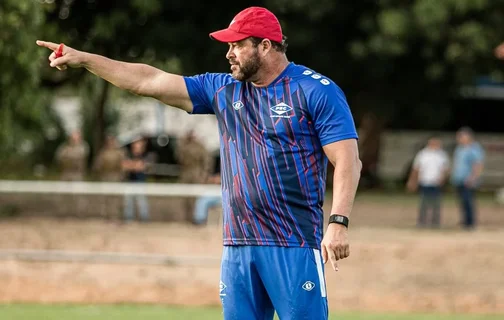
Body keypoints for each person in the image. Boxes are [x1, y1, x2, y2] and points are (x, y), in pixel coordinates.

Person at [36, 6, 361, 319]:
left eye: (237, 44)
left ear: (264, 46)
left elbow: (347, 160)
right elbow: (148, 81)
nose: (228, 53)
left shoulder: (315, 91)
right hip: (237, 244)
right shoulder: (222, 89)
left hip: (293, 243)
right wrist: (85, 59)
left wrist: (337, 223)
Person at [406, 136, 450, 228]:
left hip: (436, 183)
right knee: (423, 203)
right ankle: (421, 222)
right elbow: (416, 169)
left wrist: (443, 178)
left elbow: (445, 169)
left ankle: (435, 223)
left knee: (436, 204)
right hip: (425, 181)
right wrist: (413, 181)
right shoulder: (422, 154)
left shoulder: (442, 155)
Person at [450, 127, 485, 230]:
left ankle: (470, 223)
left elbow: (478, 164)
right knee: (462, 201)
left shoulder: (474, 148)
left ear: (468, 137)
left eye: (461, 137)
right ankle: (464, 221)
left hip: (468, 180)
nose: (459, 139)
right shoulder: (459, 148)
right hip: (459, 179)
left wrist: (473, 178)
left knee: (468, 200)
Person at [122, 138, 150, 222]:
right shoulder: (129, 155)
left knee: (142, 202)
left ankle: (144, 219)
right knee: (128, 202)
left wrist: (132, 165)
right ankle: (128, 219)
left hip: (140, 182)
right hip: (130, 181)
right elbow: (124, 166)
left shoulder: (145, 155)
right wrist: (134, 165)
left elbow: (141, 167)